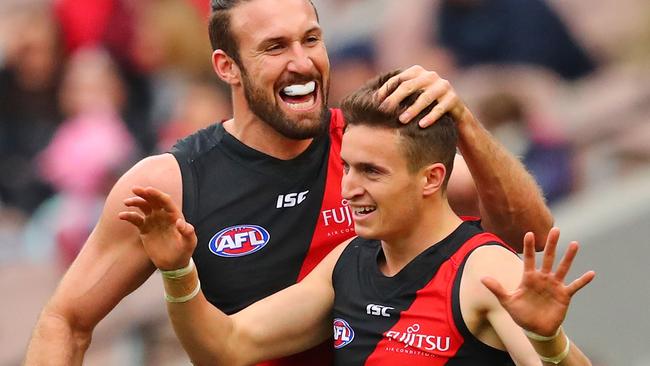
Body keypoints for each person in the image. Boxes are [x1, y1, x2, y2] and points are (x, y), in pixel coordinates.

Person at [24, 0, 552, 364]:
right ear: (226, 67)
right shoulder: (172, 185)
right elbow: (64, 323)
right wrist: (177, 270)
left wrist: (468, 129)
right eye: (275, 47)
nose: (303, 63)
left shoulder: (372, 145)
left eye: (312, 39)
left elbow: (530, 245)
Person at [119, 70, 595, 365]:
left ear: (431, 179)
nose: (349, 188)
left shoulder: (485, 269)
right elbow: (226, 347)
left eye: (371, 171)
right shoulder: (350, 260)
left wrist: (549, 344)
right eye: (347, 167)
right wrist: (178, 271)